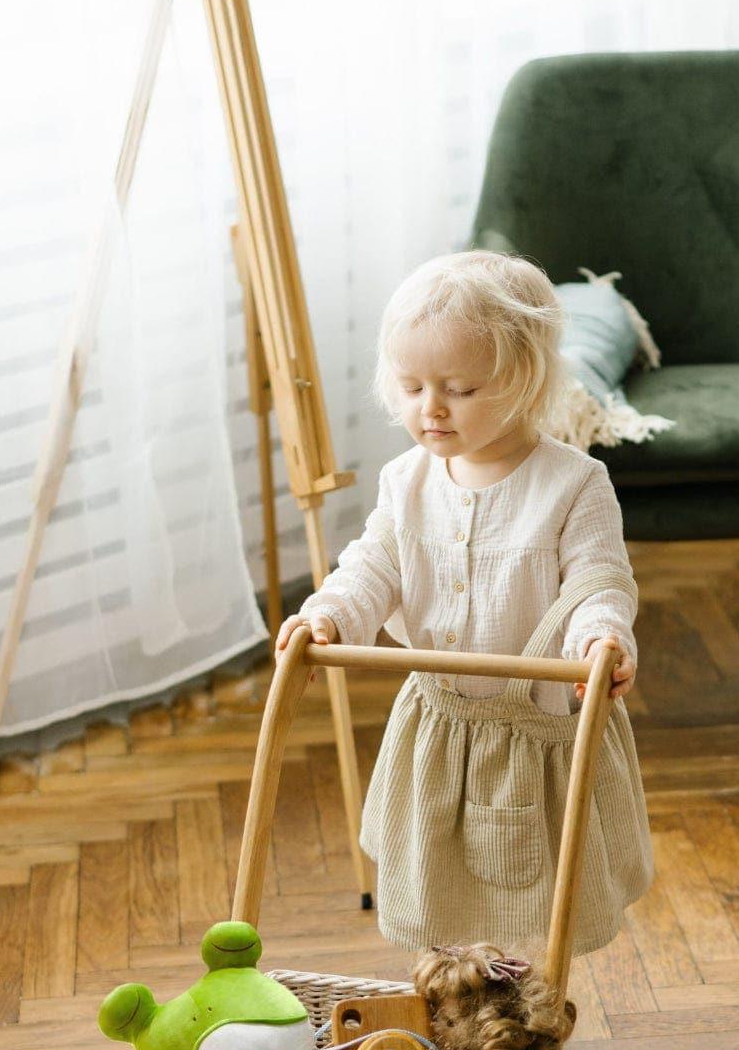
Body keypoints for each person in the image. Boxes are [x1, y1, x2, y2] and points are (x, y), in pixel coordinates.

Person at [275, 249, 652, 955]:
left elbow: (599, 581)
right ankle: (456, 996)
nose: (431, 408)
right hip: (440, 729)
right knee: (439, 886)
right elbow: (372, 566)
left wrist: (602, 640)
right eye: (412, 386)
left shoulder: (574, 484)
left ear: (525, 382)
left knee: (545, 891)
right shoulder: (405, 481)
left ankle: (535, 1011)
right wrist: (327, 614)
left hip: (542, 737)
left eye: (459, 388)